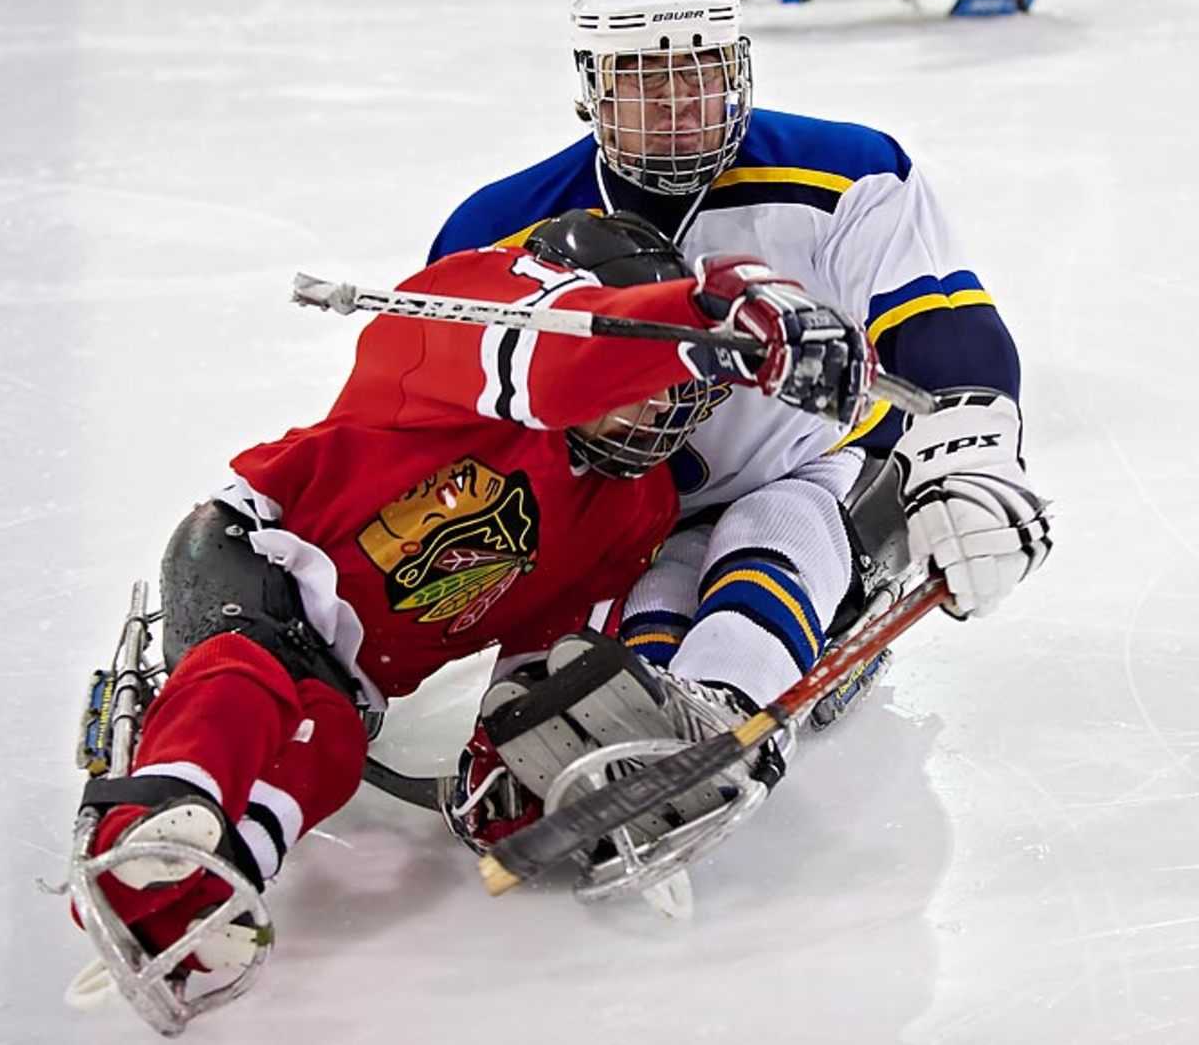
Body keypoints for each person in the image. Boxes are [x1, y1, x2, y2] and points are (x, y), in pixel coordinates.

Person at [70, 208, 871, 1010]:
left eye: (680, 391)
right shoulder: (460, 313)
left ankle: (212, 884)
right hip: (260, 549)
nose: (663, 406)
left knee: (331, 747)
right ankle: (157, 813)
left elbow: (552, 637)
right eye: (651, 381)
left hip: (355, 666)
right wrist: (702, 310)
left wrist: (516, 748)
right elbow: (553, 361)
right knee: (249, 675)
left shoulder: (635, 505)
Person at [427, 0, 1052, 844]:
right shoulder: (496, 228)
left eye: (702, 72)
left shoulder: (846, 170)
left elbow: (939, 314)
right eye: (646, 80)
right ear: (592, 85)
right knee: (598, 637)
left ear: (740, 64)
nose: (682, 106)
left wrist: (975, 449)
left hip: (814, 464)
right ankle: (639, 702)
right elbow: (448, 412)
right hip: (615, 506)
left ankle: (722, 708)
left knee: (775, 521)